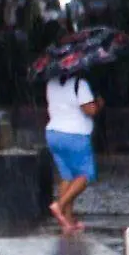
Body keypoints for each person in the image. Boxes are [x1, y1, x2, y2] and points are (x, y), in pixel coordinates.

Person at [44, 72, 103, 233]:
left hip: (53, 133)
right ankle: (59, 205)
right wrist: (98, 102)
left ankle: (68, 222)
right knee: (85, 176)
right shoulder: (80, 84)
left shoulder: (51, 82)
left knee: (67, 177)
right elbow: (90, 110)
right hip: (75, 135)